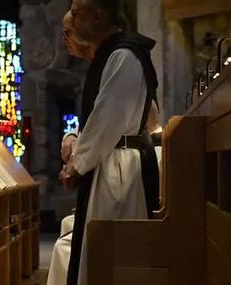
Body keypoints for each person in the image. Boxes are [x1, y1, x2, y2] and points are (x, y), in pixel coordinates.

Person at [58, 0, 160, 284]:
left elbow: (108, 118)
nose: (73, 21)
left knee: (114, 262)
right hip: (111, 162)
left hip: (120, 170)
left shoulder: (124, 55)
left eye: (77, 14)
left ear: (97, 16)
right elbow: (99, 118)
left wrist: (75, 167)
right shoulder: (112, 55)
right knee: (99, 258)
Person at [46, 10, 95, 285]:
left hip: (118, 174)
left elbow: (104, 125)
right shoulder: (97, 67)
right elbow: (92, 119)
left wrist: (75, 167)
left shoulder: (117, 60)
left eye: (68, 32)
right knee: (67, 231)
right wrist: (71, 135)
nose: (64, 40)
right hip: (98, 166)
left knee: (64, 248)